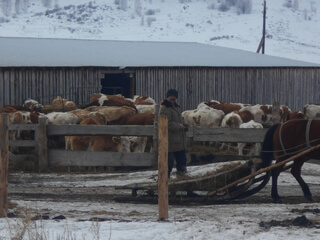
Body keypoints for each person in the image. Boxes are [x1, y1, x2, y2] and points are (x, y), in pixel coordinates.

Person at [159, 88, 188, 178]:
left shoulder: (176, 107)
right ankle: (166, 182)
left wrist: (184, 124)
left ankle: (182, 180)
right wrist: (178, 126)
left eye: (174, 96)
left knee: (182, 162)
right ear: (168, 96)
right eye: (171, 96)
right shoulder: (165, 107)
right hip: (170, 141)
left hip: (179, 141)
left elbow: (177, 120)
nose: (173, 97)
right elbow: (165, 123)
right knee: (169, 163)